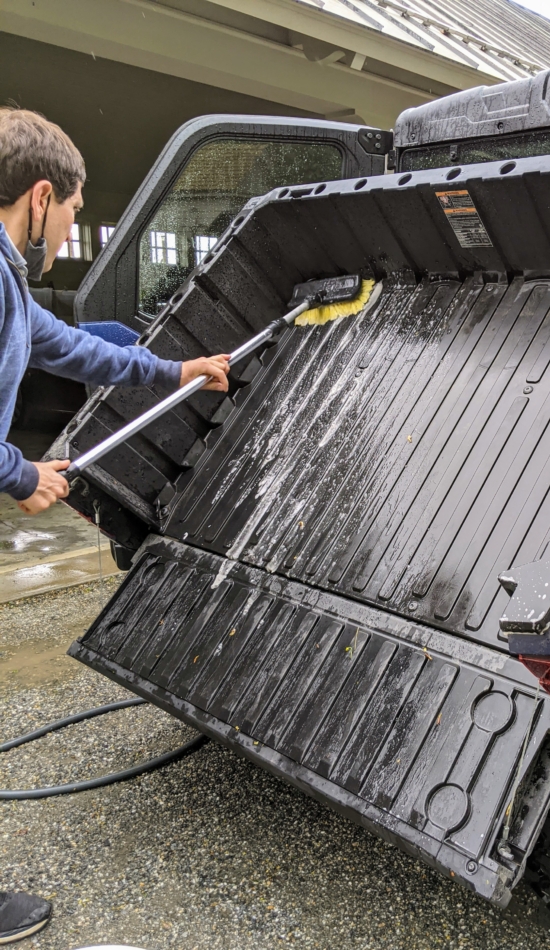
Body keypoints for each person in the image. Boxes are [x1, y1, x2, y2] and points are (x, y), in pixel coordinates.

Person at [0, 107, 230, 942]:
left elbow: (75, 348)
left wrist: (175, 368)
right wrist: (18, 472)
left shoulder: (6, 284)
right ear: (38, 196)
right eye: (72, 208)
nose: (70, 225)